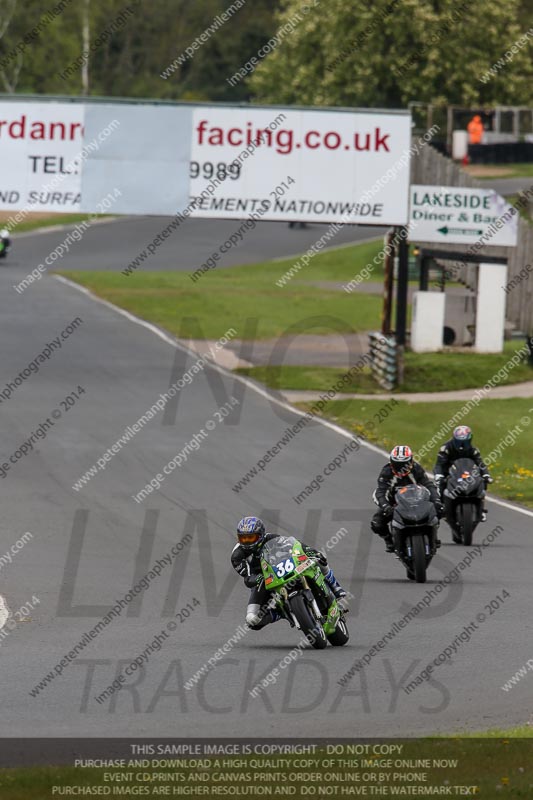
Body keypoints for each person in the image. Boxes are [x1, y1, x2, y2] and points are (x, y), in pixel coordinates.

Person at [231, 516, 348, 630]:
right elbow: (247, 579)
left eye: (250, 538)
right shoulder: (237, 556)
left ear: (260, 535)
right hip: (264, 580)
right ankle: (280, 613)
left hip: (282, 568)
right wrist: (257, 578)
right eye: (243, 538)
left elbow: (295, 546)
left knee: (320, 559)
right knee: (252, 621)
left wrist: (311, 552)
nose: (246, 542)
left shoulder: (271, 538)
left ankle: (335, 587)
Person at [371, 445, 444, 552]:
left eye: (404, 464)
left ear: (410, 462)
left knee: (439, 510)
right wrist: (386, 507)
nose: (401, 468)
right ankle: (389, 540)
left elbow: (428, 485)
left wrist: (436, 501)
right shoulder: (386, 472)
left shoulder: (416, 469)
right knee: (377, 523)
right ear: (392, 462)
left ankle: (433, 536)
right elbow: (380, 492)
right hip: (394, 503)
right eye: (397, 464)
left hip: (417, 501)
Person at [433, 426, 492, 520]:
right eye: (459, 442)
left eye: (465, 443)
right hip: (449, 473)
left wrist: (486, 474)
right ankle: (442, 506)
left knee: (482, 480)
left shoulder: (473, 450)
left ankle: (481, 508)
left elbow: (480, 464)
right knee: (440, 483)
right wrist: (438, 475)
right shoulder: (446, 448)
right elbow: (439, 464)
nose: (461, 446)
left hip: (466, 472)